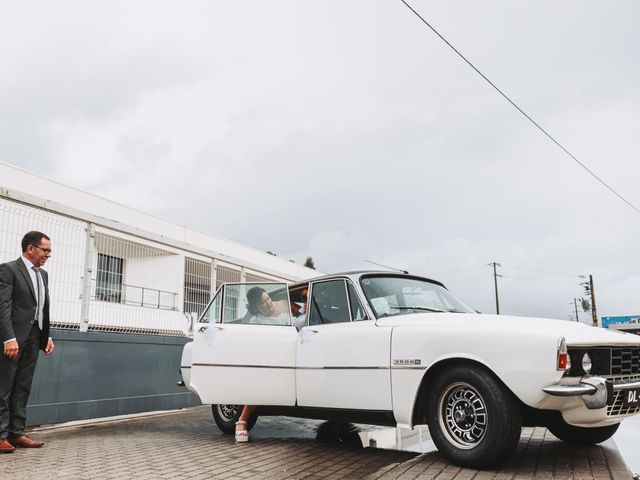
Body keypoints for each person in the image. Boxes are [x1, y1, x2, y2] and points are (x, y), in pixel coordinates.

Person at [0, 231, 55, 453]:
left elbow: (42, 307)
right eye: (45, 250)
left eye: (49, 251)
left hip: (34, 338)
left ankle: (16, 432)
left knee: (22, 387)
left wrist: (46, 335)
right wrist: (8, 338)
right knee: (4, 387)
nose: (49, 254)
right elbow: (2, 306)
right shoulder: (9, 269)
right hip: (13, 339)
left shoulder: (43, 275)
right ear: (30, 248)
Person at [234, 287, 290, 442]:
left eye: (268, 299)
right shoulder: (255, 321)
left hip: (290, 352)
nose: (269, 303)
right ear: (256, 307)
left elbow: (302, 315)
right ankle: (242, 421)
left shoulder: (284, 306)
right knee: (259, 384)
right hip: (270, 356)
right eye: (263, 302)